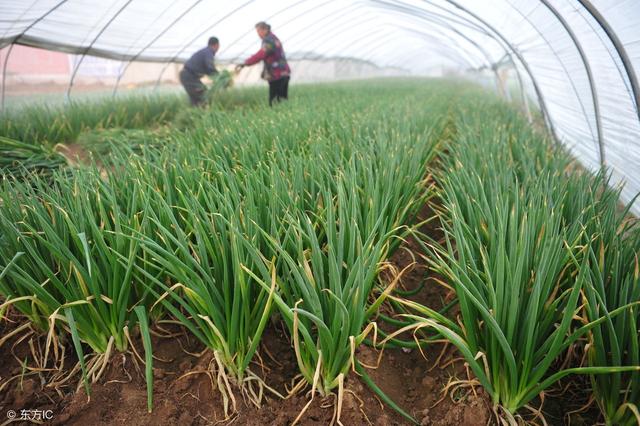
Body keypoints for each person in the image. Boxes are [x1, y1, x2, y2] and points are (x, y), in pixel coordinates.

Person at [236, 22, 290, 106]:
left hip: (276, 74)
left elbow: (262, 54)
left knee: (274, 102)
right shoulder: (274, 38)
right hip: (284, 73)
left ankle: (277, 116)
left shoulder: (268, 40)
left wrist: (246, 63)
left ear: (265, 30)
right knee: (282, 100)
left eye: (258, 31)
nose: (258, 34)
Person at [180, 37, 220, 106]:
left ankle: (196, 114)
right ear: (216, 45)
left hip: (188, 76)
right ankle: (202, 114)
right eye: (218, 46)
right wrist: (219, 76)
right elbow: (210, 68)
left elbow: (208, 70)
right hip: (189, 76)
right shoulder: (208, 52)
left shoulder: (205, 51)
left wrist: (216, 77)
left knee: (196, 99)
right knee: (203, 96)